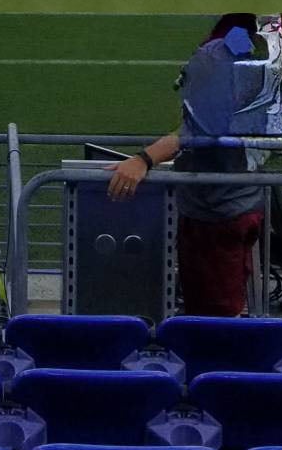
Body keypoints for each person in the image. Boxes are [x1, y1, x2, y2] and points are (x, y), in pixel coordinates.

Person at [103, 17, 272, 317]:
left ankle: (214, 362)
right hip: (241, 199)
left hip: (216, 210)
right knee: (221, 305)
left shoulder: (220, 51)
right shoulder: (254, 48)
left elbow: (199, 128)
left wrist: (144, 159)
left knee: (215, 316)